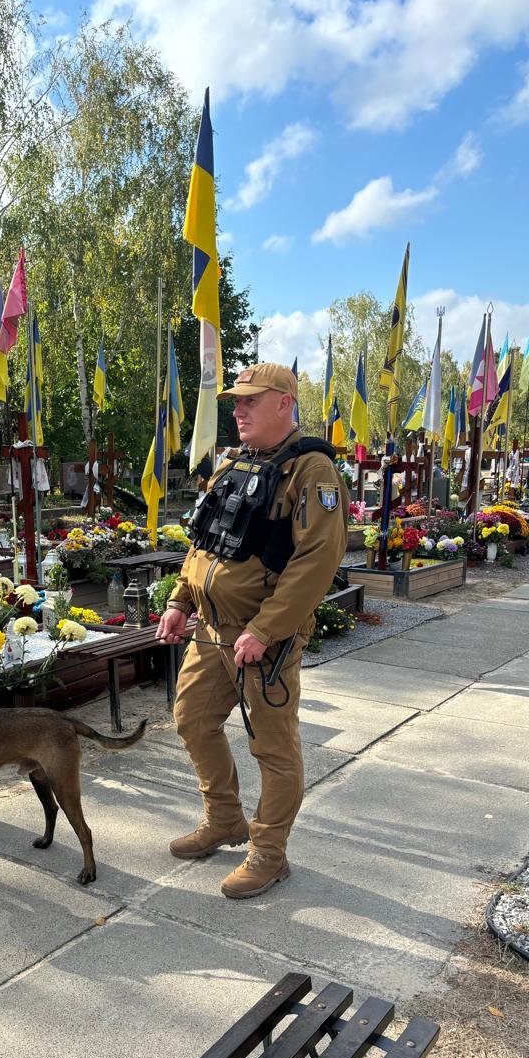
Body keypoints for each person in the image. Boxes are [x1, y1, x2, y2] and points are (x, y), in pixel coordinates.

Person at [156, 362, 349, 899]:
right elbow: (205, 540)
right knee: (192, 721)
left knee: (273, 748)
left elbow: (317, 558)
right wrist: (180, 600)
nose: (236, 410)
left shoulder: (312, 471)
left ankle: (269, 852)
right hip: (212, 630)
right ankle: (225, 820)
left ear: (284, 402)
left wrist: (266, 629)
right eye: (235, 402)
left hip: (263, 640)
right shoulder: (234, 463)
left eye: (249, 401)